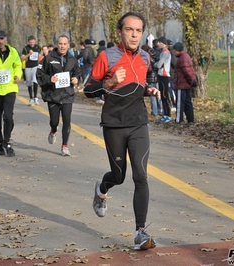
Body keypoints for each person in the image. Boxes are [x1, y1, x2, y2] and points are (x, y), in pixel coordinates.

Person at [83, 12, 160, 251]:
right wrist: (108, 83)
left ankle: (140, 232)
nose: (134, 34)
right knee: (119, 176)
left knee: (141, 176)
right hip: (114, 124)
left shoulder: (146, 57)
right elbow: (88, 90)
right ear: (120, 32)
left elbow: (149, 80)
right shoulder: (107, 56)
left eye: (138, 30)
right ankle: (102, 188)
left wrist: (150, 90)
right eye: (129, 30)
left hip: (138, 123)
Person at [37, 35, 81, 156]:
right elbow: (40, 75)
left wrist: (76, 79)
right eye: (60, 44)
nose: (62, 46)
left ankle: (65, 146)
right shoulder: (49, 58)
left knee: (67, 120)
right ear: (57, 44)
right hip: (53, 96)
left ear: (68, 45)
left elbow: (78, 73)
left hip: (67, 95)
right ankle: (53, 130)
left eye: (65, 44)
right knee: (54, 121)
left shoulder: (72, 59)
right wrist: (49, 79)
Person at [173, 42, 196, 124]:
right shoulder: (186, 56)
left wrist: (191, 80)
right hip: (186, 85)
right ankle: (190, 119)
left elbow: (187, 72)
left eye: (175, 50)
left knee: (180, 103)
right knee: (188, 102)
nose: (174, 52)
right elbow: (191, 71)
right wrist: (192, 80)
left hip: (181, 84)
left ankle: (179, 120)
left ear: (178, 50)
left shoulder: (182, 59)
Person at [155, 36, 172, 123]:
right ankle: (165, 114)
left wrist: (155, 63)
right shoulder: (162, 52)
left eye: (159, 42)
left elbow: (158, 65)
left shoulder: (165, 53)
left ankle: (168, 115)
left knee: (165, 96)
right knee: (162, 96)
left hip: (165, 76)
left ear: (163, 43)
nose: (157, 44)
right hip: (161, 76)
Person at [21, 35, 41, 106]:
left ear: (35, 41)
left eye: (33, 42)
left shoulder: (38, 47)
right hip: (28, 66)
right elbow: (22, 58)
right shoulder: (26, 48)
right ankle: (31, 99)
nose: (32, 43)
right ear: (28, 42)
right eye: (30, 42)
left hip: (35, 66)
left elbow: (40, 55)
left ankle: (36, 97)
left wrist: (40, 56)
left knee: (35, 80)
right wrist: (29, 54)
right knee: (29, 83)